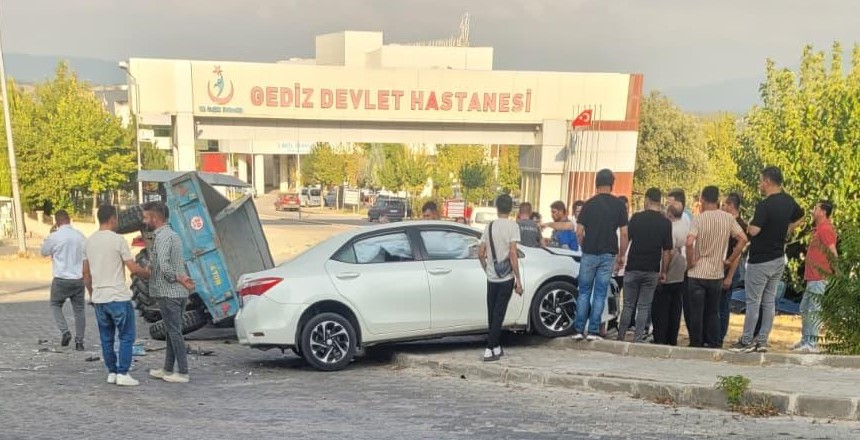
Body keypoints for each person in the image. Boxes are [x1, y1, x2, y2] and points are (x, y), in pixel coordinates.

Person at [733, 167, 804, 353]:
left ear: (768, 182)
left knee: (753, 301)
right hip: (778, 258)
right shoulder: (789, 202)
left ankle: (747, 339)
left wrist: (748, 224)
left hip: (760, 260)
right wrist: (789, 229)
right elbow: (801, 216)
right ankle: (762, 340)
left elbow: (754, 230)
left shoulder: (764, 206)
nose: (759, 185)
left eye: (760, 181)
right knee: (769, 301)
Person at [83, 205, 150, 386]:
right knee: (127, 336)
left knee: (106, 338)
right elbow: (132, 268)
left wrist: (92, 294)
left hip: (100, 300)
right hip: (118, 298)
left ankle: (112, 372)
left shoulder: (89, 242)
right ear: (113, 218)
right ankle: (123, 373)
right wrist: (149, 273)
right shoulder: (118, 240)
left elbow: (86, 274)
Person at [685, 186, 748, 348]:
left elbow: (690, 242)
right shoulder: (728, 219)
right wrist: (729, 260)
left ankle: (696, 343)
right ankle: (713, 343)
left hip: (697, 272)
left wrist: (691, 261)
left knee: (696, 312)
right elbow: (742, 239)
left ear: (703, 200)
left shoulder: (699, 219)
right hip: (716, 272)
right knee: (713, 311)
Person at [571, 169, 628, 341]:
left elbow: (579, 232)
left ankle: (579, 330)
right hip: (608, 253)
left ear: (596, 183)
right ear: (612, 183)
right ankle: (594, 331)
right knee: (600, 293)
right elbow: (624, 234)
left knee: (584, 292)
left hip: (589, 253)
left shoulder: (588, 204)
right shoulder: (619, 205)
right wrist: (622, 255)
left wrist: (584, 246)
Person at [143, 202, 196, 383]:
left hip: (169, 292)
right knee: (171, 331)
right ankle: (167, 369)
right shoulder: (172, 234)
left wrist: (177, 278)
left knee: (174, 333)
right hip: (177, 293)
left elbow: (164, 266)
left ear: (155, 218)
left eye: (146, 217)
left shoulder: (163, 237)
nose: (144, 221)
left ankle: (182, 372)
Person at [616, 188, 672, 343]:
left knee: (628, 305)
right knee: (644, 306)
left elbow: (627, 238)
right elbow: (667, 251)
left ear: (646, 200)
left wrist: (621, 257)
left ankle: (620, 336)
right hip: (651, 270)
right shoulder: (665, 223)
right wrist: (664, 271)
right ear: (659, 201)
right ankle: (638, 338)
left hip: (633, 267)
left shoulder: (636, 218)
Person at [477, 194, 523, 361]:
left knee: (492, 311)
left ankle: (496, 347)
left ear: (497, 208)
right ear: (511, 208)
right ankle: (489, 348)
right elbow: (513, 253)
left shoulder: (489, 226)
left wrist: (486, 268)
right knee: (499, 313)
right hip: (506, 277)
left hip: (491, 276)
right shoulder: (513, 226)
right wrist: (518, 279)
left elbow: (480, 253)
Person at [794, 200, 837, 353]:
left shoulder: (825, 228)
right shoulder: (818, 228)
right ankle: (805, 340)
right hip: (812, 276)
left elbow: (833, 252)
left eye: (816, 208)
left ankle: (811, 344)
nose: (813, 210)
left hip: (819, 276)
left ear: (823, 212)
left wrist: (835, 273)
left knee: (813, 309)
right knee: (805, 308)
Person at [40, 210, 87, 350]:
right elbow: (86, 257)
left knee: (55, 305)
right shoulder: (80, 236)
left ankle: (65, 331)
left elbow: (44, 252)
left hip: (61, 279)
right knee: (79, 310)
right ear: (69, 219)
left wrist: (50, 235)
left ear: (56, 222)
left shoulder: (55, 236)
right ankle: (79, 342)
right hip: (78, 279)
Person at [652, 201, 689, 345]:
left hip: (670, 271)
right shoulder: (686, 226)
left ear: (670, 214)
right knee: (675, 307)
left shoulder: (670, 228)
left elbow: (668, 252)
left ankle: (661, 337)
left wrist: (663, 271)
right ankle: (672, 337)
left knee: (661, 308)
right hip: (681, 272)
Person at [718, 193, 749, 346]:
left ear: (731, 205)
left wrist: (729, 276)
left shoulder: (739, 226)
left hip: (731, 268)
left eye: (724, 205)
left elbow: (737, 254)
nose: (722, 207)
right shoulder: (729, 222)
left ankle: (720, 334)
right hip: (724, 266)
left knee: (723, 303)